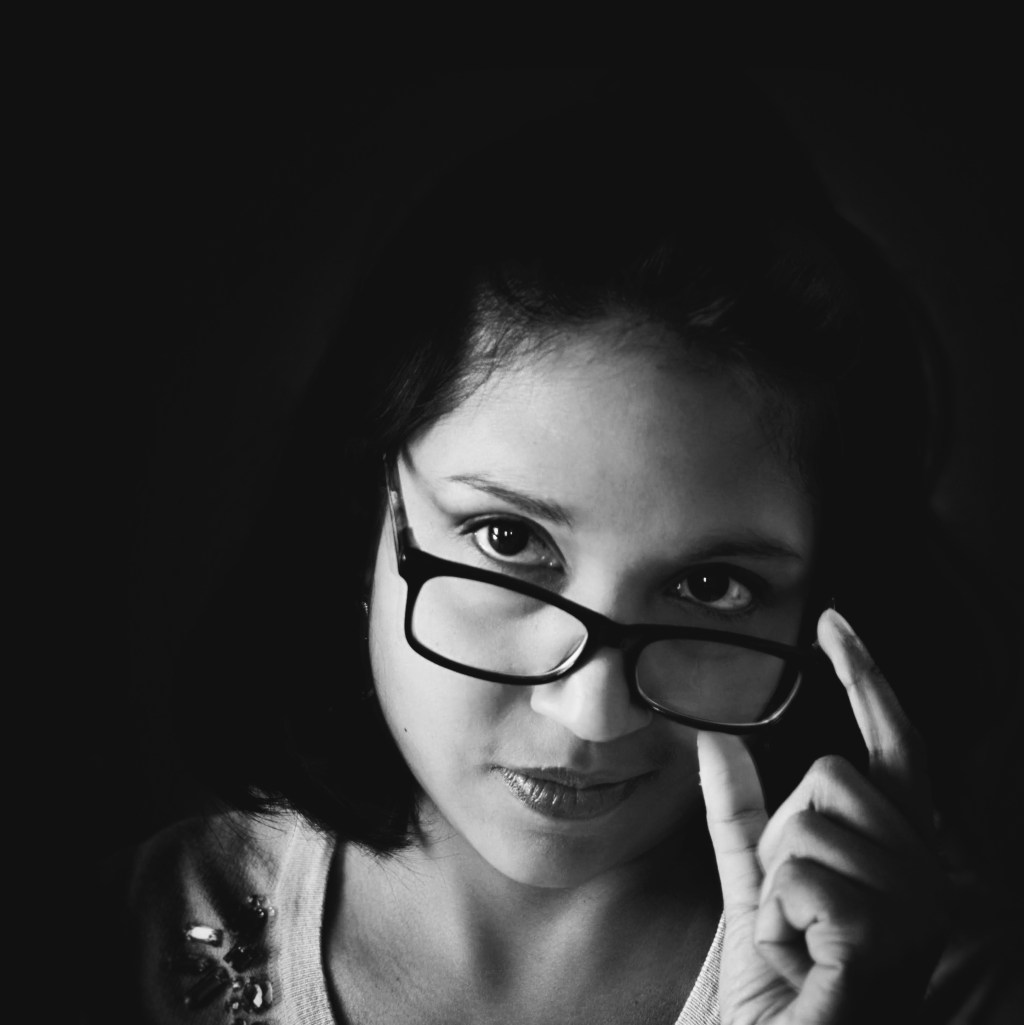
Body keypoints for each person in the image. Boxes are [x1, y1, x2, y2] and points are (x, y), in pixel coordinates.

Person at [114, 73, 1019, 1023]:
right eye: (509, 541)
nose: (592, 710)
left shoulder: (944, 995)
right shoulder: (110, 945)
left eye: (711, 585)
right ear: (371, 510)